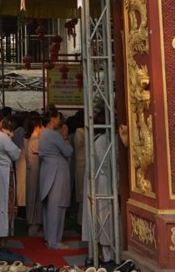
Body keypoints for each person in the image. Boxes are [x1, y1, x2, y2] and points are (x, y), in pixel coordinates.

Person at [38, 106, 73, 250]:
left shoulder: (43, 133)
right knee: (57, 206)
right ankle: (54, 241)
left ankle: (50, 238)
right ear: (53, 119)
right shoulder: (54, 135)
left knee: (50, 206)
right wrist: (65, 137)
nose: (59, 120)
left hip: (48, 170)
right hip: (57, 171)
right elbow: (68, 151)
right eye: (58, 118)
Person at [81, 110, 113, 265]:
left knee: (101, 215)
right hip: (103, 181)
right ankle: (106, 254)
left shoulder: (97, 139)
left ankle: (102, 251)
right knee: (104, 216)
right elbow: (107, 164)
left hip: (98, 180)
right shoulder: (103, 140)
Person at [0, 109, 21, 247]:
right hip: (3, 172)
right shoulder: (0, 136)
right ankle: (1, 240)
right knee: (5, 204)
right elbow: (16, 154)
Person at [22, 112, 44, 237]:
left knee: (33, 197)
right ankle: (34, 226)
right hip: (35, 172)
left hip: (33, 171)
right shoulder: (35, 140)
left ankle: (34, 224)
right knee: (35, 198)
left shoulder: (29, 138)